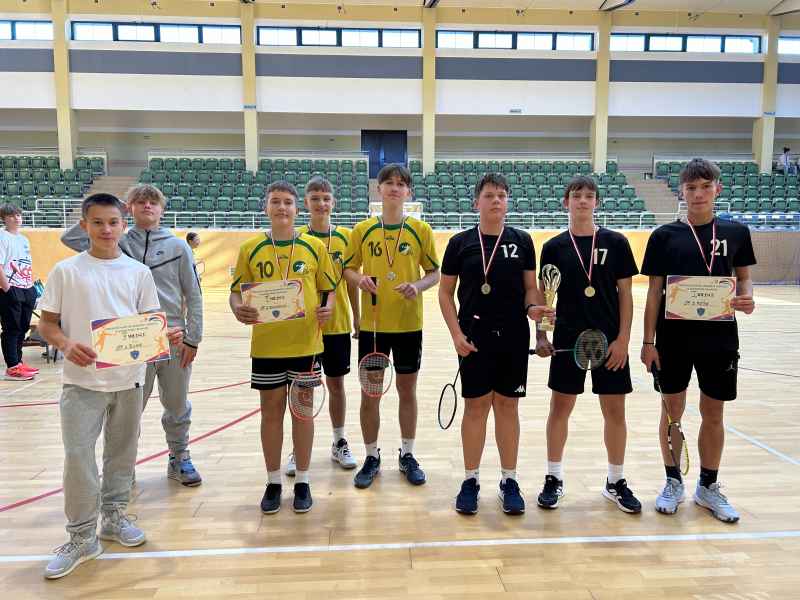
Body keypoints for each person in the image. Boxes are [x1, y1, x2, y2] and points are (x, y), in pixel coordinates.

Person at [37, 193, 181, 579]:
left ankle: (114, 517)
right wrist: (66, 344)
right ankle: (81, 536)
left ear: (123, 225)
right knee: (78, 457)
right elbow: (46, 324)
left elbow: (150, 322)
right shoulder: (67, 271)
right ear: (84, 226)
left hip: (129, 379)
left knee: (121, 454)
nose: (106, 229)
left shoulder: (138, 273)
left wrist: (166, 334)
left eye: (113, 222)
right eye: (97, 222)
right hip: (81, 382)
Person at [62, 185, 204, 486]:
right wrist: (112, 208)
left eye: (153, 202)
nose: (147, 206)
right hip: (129, 340)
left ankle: (179, 456)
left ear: (162, 208)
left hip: (173, 339)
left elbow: (194, 294)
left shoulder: (179, 247)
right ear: (130, 209)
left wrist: (194, 337)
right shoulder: (116, 240)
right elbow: (70, 239)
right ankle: (124, 468)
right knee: (128, 411)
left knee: (177, 405)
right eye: (139, 202)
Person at [641, 158, 756, 523]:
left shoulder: (736, 232)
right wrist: (647, 342)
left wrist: (747, 298)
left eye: (705, 187)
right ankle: (673, 481)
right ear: (682, 192)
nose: (698, 194)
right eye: (691, 188)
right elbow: (655, 292)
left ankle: (708, 486)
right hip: (672, 339)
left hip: (719, 338)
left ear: (717, 189)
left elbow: (744, 279)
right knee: (671, 411)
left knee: (714, 412)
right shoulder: (663, 236)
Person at [439, 173, 552, 515]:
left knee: (507, 407)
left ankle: (509, 481)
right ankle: (470, 480)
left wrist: (534, 313)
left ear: (508, 202)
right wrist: (456, 335)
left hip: (514, 337)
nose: (496, 200)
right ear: (477, 202)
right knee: (475, 408)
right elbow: (445, 293)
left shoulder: (522, 241)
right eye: (489, 195)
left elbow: (531, 289)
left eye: (502, 195)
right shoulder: (460, 243)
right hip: (473, 339)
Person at [534, 176, 641, 514]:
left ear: (597, 202)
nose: (583, 200)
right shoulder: (553, 247)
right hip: (568, 341)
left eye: (589, 196)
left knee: (615, 412)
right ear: (566, 202)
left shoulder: (617, 242)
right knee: (559, 409)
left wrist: (623, 340)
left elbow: (626, 295)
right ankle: (553, 477)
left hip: (610, 343)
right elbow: (547, 297)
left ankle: (615, 481)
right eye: (577, 195)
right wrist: (542, 336)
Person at [229, 181, 335, 514]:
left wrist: (328, 308)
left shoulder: (313, 247)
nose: (282, 207)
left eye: (288, 202)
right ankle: (273, 481)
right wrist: (238, 309)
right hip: (267, 346)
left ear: (296, 209)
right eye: (275, 202)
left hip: (305, 345)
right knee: (271, 414)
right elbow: (236, 292)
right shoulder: (251, 248)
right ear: (266, 208)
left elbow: (329, 288)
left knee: (302, 413)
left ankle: (302, 480)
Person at [343, 163, 440, 489]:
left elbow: (434, 273)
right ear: (379, 189)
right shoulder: (362, 230)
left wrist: (417, 286)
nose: (395, 188)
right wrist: (360, 279)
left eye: (401, 184)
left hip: (408, 324)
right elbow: (348, 269)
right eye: (389, 183)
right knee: (370, 394)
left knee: (407, 391)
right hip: (373, 326)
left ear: (408, 192)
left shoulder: (421, 230)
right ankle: (372, 456)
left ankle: (407, 454)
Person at [284, 176, 360, 476]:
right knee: (303, 388)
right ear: (306, 203)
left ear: (333, 202)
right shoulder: (297, 238)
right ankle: (299, 448)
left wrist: (357, 317)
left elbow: (351, 282)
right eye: (315, 198)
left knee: (337, 384)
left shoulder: (346, 238)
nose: (321, 203)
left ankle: (339, 441)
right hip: (307, 329)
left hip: (338, 325)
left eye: (326, 198)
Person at [0, 203, 38, 381]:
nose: (16, 218)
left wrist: (31, 287)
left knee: (22, 328)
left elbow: (26, 263)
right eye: (11, 215)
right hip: (10, 288)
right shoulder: (2, 237)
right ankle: (12, 367)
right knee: (11, 329)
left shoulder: (24, 239)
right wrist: (7, 288)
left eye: (18, 215)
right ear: (4, 219)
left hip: (26, 287)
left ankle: (19, 362)